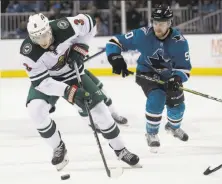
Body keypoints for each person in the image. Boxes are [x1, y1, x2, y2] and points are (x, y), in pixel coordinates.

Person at [20, 13, 139, 171]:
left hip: (72, 73)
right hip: (48, 81)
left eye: (44, 35)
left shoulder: (65, 26)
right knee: (35, 110)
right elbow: (42, 83)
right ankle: (58, 147)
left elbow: (90, 23)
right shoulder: (27, 53)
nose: (42, 41)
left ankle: (121, 149)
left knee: (101, 112)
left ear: (49, 28)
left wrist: (81, 47)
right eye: (37, 38)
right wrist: (70, 92)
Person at [106, 5, 192, 152]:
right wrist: (115, 57)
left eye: (162, 24)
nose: (158, 27)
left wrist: (177, 79)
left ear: (169, 23)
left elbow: (184, 68)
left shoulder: (180, 42)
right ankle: (151, 133)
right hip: (147, 73)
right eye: (155, 23)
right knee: (157, 98)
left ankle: (173, 127)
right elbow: (114, 41)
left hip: (169, 77)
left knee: (178, 105)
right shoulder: (143, 34)